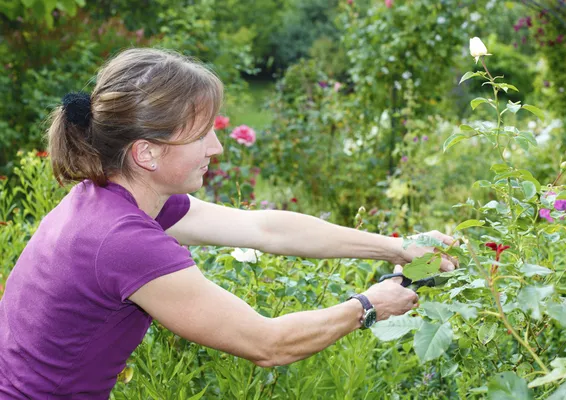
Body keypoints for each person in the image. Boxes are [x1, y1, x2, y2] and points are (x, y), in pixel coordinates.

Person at [0, 48, 456, 399]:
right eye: (201, 135)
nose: (216, 148)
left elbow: (265, 230)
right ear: (148, 153)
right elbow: (268, 344)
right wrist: (370, 305)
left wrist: (396, 247)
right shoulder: (121, 240)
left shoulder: (117, 198)